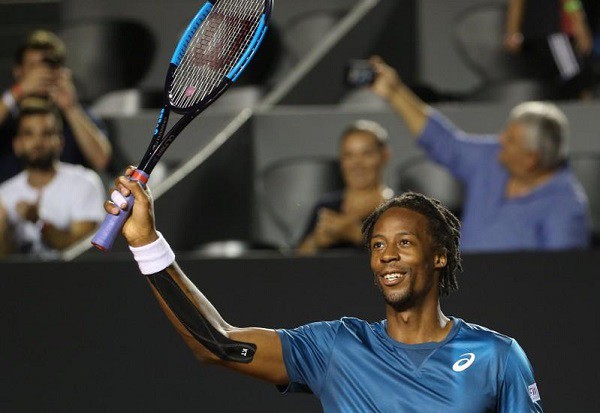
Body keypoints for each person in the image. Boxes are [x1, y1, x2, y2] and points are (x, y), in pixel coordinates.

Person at [103, 168, 544, 411]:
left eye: (405, 243)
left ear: (440, 256)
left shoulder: (497, 357)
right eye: (377, 245)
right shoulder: (336, 347)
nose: (387, 256)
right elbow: (217, 344)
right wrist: (145, 242)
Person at [368, 56, 591, 253]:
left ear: (531, 159)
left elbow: (560, 274)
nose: (500, 140)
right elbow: (443, 141)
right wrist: (395, 92)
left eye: (511, 140)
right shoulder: (491, 159)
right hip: (463, 283)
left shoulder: (566, 207)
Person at [0, 30, 112, 183]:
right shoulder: (8, 111)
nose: (41, 74)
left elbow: (101, 160)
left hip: (67, 196)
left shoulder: (75, 113)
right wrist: (17, 91)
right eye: (33, 66)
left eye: (47, 66)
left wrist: (70, 107)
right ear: (18, 71)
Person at [0, 99, 105, 258]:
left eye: (47, 133)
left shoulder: (84, 183)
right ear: (17, 144)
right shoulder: (4, 194)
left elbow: (82, 251)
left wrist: (39, 222)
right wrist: (5, 229)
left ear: (60, 142)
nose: (38, 142)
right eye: (28, 134)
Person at [297, 120, 393, 255]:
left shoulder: (400, 208)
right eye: (349, 155)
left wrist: (358, 235)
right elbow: (297, 258)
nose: (357, 164)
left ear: (384, 156)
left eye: (366, 154)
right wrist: (316, 242)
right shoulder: (326, 206)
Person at [504, 0, 595, 100]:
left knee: (565, 83)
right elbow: (570, 2)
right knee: (576, 79)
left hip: (538, 35)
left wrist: (513, 32)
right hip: (552, 33)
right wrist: (579, 27)